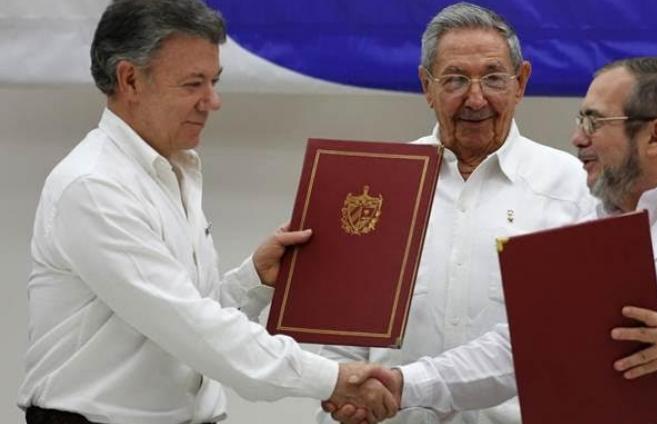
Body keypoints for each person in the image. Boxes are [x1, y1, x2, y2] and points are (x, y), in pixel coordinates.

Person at [329, 56, 657, 424]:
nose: (577, 137)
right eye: (580, 120)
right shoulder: (583, 230)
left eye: (595, 121)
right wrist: (405, 383)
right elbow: (519, 349)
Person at [17, 1, 399, 423]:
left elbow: (181, 327)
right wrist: (332, 378)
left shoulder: (175, 168)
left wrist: (253, 280)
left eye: (214, 82)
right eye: (193, 84)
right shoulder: (93, 185)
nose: (212, 101)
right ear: (130, 80)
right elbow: (189, 326)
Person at [318, 2, 594, 424]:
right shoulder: (378, 183)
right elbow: (342, 330)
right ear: (426, 86)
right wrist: (344, 396)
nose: (476, 98)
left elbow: (570, 334)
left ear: (521, 83)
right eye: (455, 79)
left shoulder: (573, 188)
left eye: (494, 78)